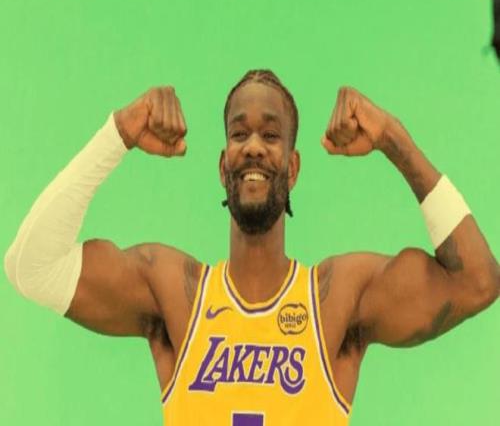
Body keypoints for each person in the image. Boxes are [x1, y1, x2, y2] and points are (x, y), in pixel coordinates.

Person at [4, 69, 499, 425]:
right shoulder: (176, 294)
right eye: (239, 133)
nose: (254, 146)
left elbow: (477, 281)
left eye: (272, 134)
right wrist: (118, 133)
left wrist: (393, 138)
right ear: (224, 166)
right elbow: (32, 268)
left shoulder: (336, 299)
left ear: (294, 168)